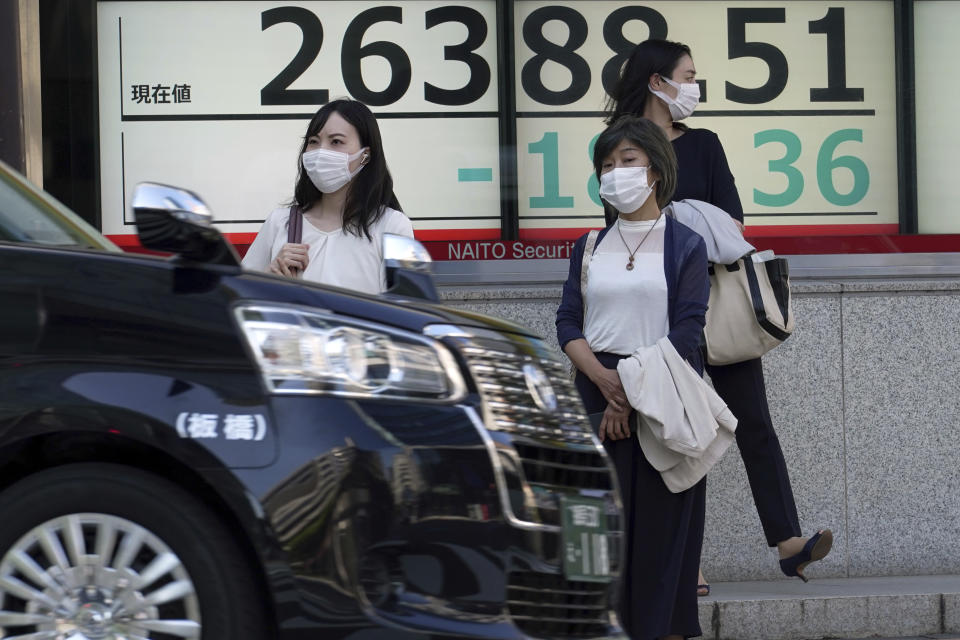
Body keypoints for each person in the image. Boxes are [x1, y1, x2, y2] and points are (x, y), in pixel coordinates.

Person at [606, 39, 832, 592]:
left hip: (717, 307)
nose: (694, 85)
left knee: (753, 421)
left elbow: (731, 223)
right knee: (673, 433)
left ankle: (788, 543)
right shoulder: (623, 149)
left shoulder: (704, 144)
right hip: (656, 312)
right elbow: (623, 226)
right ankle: (688, 562)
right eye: (687, 74)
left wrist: (680, 218)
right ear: (658, 82)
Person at [556, 115, 709, 640]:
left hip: (662, 393)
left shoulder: (685, 244)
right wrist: (603, 380)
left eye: (627, 161)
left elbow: (689, 329)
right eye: (606, 164)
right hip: (595, 392)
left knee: (663, 536)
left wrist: (628, 392)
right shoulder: (589, 246)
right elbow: (568, 322)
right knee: (597, 534)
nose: (615, 173)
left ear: (656, 172)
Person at [242, 99, 413, 295]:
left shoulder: (393, 226)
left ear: (365, 155)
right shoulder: (279, 222)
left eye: (336, 142)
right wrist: (269, 279)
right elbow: (239, 298)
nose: (321, 151)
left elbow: (405, 309)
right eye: (313, 142)